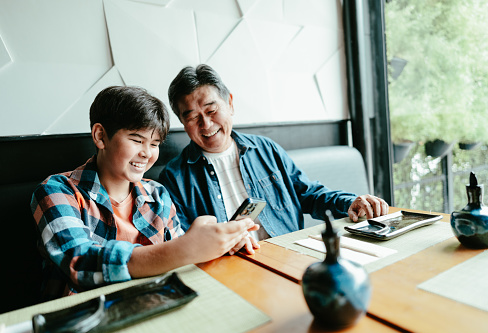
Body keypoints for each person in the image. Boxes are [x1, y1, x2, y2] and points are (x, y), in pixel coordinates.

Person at [31, 86, 257, 300]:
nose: (147, 154)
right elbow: (80, 263)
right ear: (100, 136)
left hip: (154, 304)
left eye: (155, 143)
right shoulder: (58, 190)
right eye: (137, 140)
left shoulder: (158, 194)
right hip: (85, 318)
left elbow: (182, 265)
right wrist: (183, 250)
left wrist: (220, 245)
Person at [159, 64, 389, 255]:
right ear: (182, 120)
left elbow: (308, 194)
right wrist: (219, 245)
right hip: (229, 265)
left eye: (211, 111)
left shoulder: (266, 149)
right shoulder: (174, 177)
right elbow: (184, 241)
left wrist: (350, 203)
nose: (206, 124)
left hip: (289, 253)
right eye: (191, 117)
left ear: (229, 103)